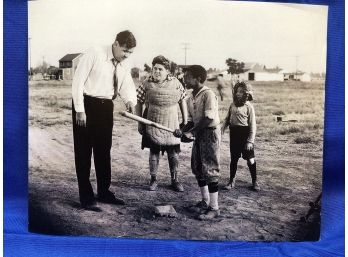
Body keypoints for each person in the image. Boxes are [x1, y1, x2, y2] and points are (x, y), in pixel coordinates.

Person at [72, 30, 137, 211]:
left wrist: (130, 100)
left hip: (106, 107)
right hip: (87, 104)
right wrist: (79, 109)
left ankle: (104, 192)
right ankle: (86, 197)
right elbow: (77, 81)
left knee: (103, 151)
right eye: (125, 50)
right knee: (83, 152)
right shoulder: (94, 52)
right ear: (116, 44)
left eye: (130, 52)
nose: (127, 55)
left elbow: (126, 85)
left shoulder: (124, 63)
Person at [175, 65, 221, 220]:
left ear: (198, 78)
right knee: (198, 167)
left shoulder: (208, 94)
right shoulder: (191, 96)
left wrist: (192, 132)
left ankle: (214, 208)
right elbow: (190, 121)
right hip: (199, 133)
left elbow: (208, 118)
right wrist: (181, 130)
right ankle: (205, 201)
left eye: (187, 76)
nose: (184, 78)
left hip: (209, 133)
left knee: (210, 169)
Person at [136, 55, 188, 192]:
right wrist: (140, 122)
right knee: (154, 152)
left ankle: (175, 180)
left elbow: (182, 100)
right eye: (155, 69)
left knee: (174, 153)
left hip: (172, 122)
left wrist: (185, 120)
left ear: (167, 72)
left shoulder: (176, 83)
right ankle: (153, 179)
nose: (156, 72)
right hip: (152, 121)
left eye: (160, 69)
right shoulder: (146, 83)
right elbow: (139, 102)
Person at [221, 81, 260, 191]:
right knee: (234, 159)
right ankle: (231, 181)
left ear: (246, 94)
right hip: (234, 134)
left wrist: (250, 141)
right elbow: (227, 120)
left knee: (251, 159)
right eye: (237, 91)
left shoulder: (249, 107)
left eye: (241, 92)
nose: (238, 94)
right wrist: (221, 129)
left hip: (245, 135)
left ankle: (255, 181)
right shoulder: (232, 105)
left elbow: (253, 126)